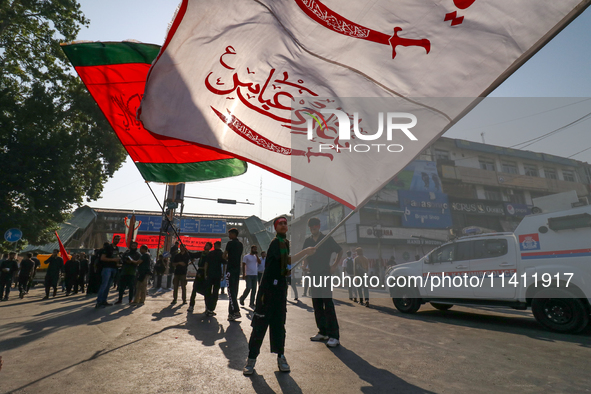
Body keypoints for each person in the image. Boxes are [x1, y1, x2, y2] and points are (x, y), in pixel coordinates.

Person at [243, 216, 316, 375]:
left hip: (280, 290)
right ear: (275, 228)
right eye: (280, 224)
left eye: (285, 223)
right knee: (260, 326)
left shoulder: (286, 243)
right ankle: (251, 360)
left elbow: (283, 265)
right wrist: (305, 252)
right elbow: (286, 260)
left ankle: (281, 356)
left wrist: (286, 270)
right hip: (267, 291)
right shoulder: (275, 243)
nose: (283, 225)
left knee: (279, 326)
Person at [303, 217, 343, 348]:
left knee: (328, 304)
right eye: (311, 227)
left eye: (315, 226)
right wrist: (304, 264)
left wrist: (334, 266)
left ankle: (334, 336)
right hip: (313, 275)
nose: (313, 228)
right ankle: (323, 332)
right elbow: (305, 256)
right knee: (317, 304)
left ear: (319, 226)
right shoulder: (308, 241)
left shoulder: (327, 239)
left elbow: (340, 250)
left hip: (325, 274)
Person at [96, 235, 121, 308]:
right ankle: (99, 301)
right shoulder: (108, 247)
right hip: (107, 268)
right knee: (104, 285)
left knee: (108, 286)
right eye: (116, 239)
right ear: (113, 239)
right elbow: (102, 258)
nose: (117, 240)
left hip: (114, 268)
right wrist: (113, 260)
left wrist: (118, 263)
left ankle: (104, 300)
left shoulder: (116, 248)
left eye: (118, 239)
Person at [224, 228, 244, 321]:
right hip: (237, 269)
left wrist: (228, 258)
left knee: (230, 291)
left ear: (233, 234)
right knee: (234, 291)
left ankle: (236, 311)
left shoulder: (230, 244)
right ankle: (231, 313)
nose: (229, 236)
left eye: (230, 234)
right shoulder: (240, 244)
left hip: (230, 269)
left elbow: (224, 255)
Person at [188, 242, 212, 313]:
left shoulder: (210, 255)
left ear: (210, 247)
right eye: (205, 245)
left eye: (207, 245)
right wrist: (187, 251)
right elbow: (193, 255)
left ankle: (207, 307)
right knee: (194, 289)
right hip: (199, 272)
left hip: (206, 273)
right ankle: (191, 306)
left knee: (207, 291)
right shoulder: (201, 254)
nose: (205, 246)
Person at [203, 241, 225, 315]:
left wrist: (205, 274)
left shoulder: (210, 253)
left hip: (210, 274)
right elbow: (224, 263)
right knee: (215, 292)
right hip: (217, 275)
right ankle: (212, 308)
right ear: (220, 246)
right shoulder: (221, 254)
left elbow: (206, 264)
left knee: (208, 291)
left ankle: (208, 307)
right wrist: (223, 274)